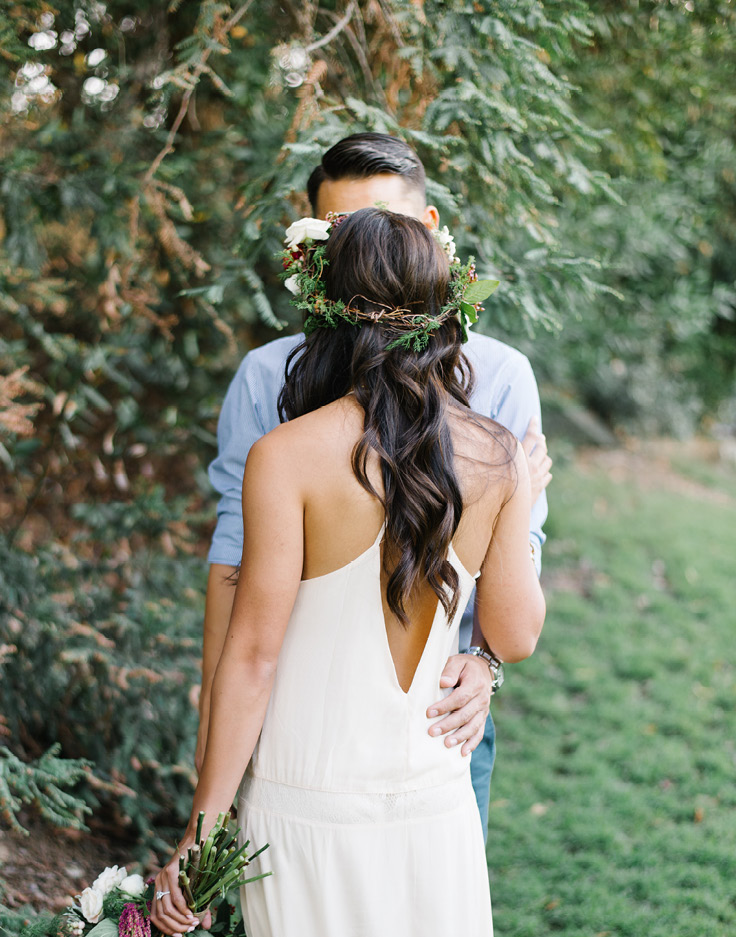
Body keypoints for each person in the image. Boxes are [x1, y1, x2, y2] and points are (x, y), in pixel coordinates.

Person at [152, 206, 545, 937]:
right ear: (441, 311)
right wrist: (522, 495)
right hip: (429, 801)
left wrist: (203, 830)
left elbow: (249, 658)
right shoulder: (495, 452)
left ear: (321, 313)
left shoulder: (285, 456)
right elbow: (513, 635)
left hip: (301, 803)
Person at [196, 133, 551, 846]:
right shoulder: (268, 379)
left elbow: (516, 564)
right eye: (340, 237)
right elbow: (233, 573)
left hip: (440, 714)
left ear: (430, 239)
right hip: (296, 713)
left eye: (383, 228)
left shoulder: (502, 378)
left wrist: (482, 665)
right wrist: (215, 750)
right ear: (311, 260)